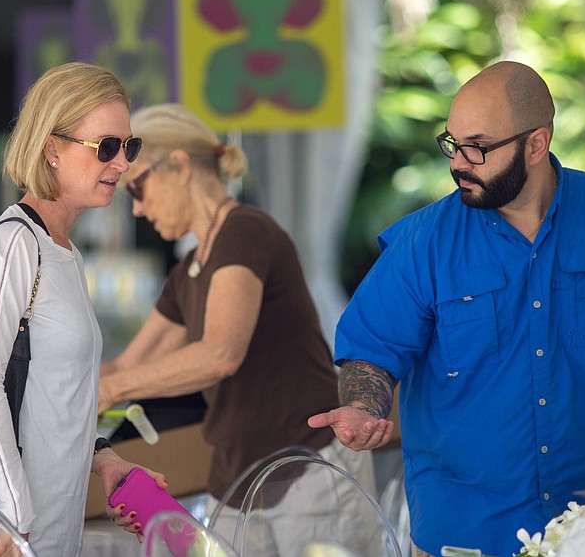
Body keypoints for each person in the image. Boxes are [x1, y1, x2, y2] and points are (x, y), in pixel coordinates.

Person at [308, 60, 585, 557]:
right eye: (452, 143)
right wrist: (364, 406)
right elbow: (371, 350)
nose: (458, 163)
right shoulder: (422, 244)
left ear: (536, 144)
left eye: (478, 146)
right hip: (464, 532)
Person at [98, 103, 378, 550]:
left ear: (179, 165)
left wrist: (109, 391)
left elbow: (219, 354)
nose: (136, 209)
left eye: (136, 189)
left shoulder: (244, 230)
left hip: (307, 467)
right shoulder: (189, 269)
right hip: (237, 481)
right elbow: (129, 367)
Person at [0, 62, 166, 556]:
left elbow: (52, 395)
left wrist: (103, 456)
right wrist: (14, 518)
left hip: (50, 532)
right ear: (52, 148)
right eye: (106, 147)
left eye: (128, 147)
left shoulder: (63, 251)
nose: (122, 164)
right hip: (15, 537)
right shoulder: (12, 245)